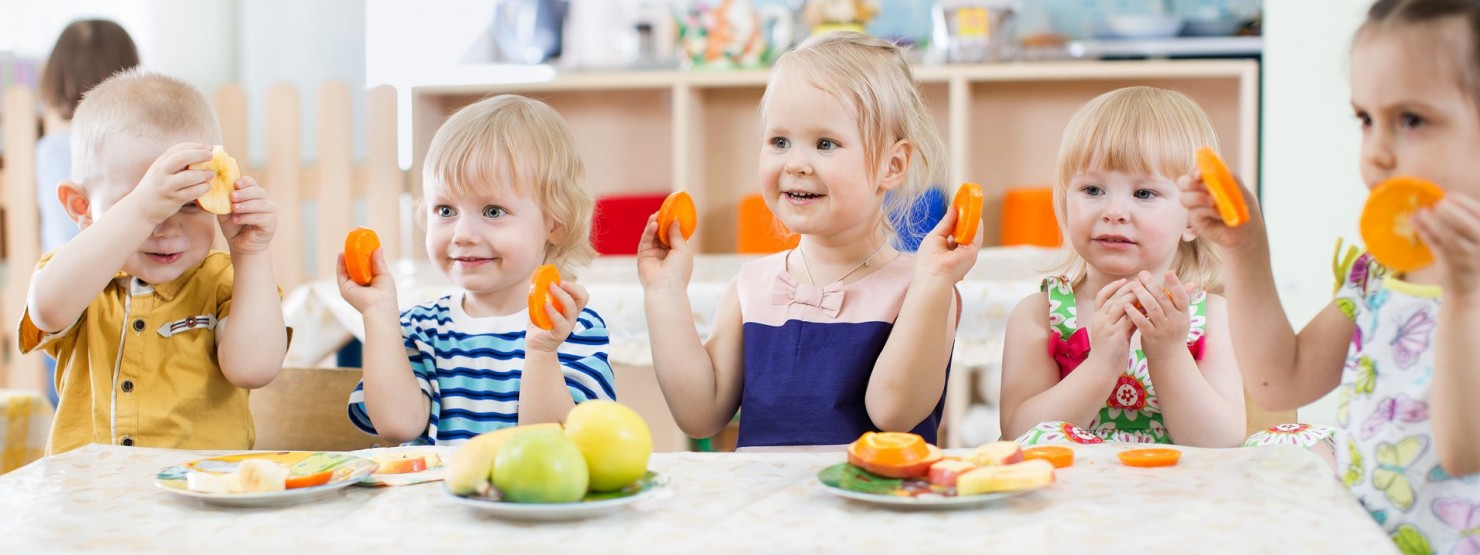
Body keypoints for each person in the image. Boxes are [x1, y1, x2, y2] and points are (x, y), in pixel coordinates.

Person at [1182, 1, 1480, 551]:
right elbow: (1282, 380)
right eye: (1366, 119)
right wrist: (1248, 248)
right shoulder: (1379, 269)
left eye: (1411, 120)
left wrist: (1465, 295)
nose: (1377, 152)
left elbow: (1464, 449)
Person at [638, 32, 973, 449]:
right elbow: (699, 415)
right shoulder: (751, 286)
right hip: (772, 513)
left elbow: (895, 413)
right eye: (779, 141)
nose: (796, 163)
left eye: (825, 144)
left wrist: (934, 285)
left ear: (892, 165)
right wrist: (664, 292)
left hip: (877, 511)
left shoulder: (923, 287)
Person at [1002, 86, 1333, 452]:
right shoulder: (1039, 314)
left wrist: (1169, 354)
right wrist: (1101, 365)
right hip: (1074, 500)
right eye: (1092, 189)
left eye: (1144, 194)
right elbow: (1020, 434)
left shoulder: (1212, 316)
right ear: (1064, 204)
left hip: (1183, 502)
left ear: (1193, 219)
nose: (1114, 211)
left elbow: (1219, 443)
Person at [18, 69, 288, 454]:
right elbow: (46, 310)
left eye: (191, 204)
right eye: (140, 203)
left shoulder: (228, 281)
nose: (166, 227)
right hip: (89, 502)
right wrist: (140, 210)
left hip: (201, 498)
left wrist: (251, 254)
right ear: (82, 207)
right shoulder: (78, 276)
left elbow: (254, 369)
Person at [341, 95, 614, 445]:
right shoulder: (419, 327)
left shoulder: (574, 327)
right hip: (438, 500)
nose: (463, 234)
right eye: (445, 210)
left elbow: (557, 442)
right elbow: (397, 426)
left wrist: (543, 351)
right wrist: (378, 313)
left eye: (493, 211)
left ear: (555, 223)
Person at [35, 18, 140, 407]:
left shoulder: (52, 148)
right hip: (103, 286)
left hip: (70, 284)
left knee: (69, 394)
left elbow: (66, 235)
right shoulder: (128, 146)